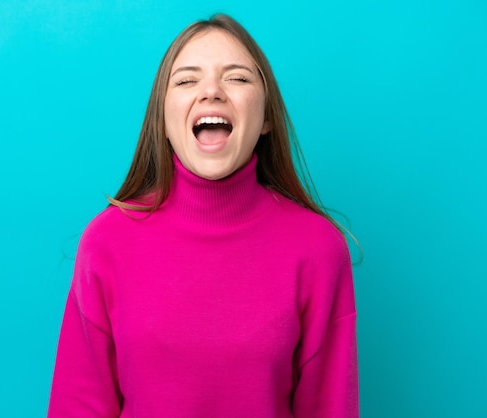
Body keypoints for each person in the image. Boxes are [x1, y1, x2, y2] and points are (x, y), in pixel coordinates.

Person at [48, 14, 358, 418]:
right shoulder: (106, 241)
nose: (211, 91)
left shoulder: (318, 248)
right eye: (187, 80)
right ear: (163, 119)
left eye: (238, 78)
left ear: (266, 118)